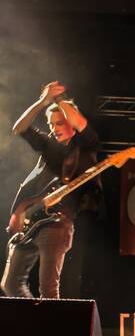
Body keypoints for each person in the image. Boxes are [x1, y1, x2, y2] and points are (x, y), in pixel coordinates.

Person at [1, 81, 101, 299]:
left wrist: (59, 99)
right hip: (31, 220)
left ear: (71, 123)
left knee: (48, 291)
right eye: (51, 124)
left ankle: (49, 321)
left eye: (60, 123)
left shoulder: (86, 145)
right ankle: (33, 319)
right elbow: (19, 128)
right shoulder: (48, 145)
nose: (54, 128)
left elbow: (80, 122)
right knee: (10, 285)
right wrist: (42, 101)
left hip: (57, 223)